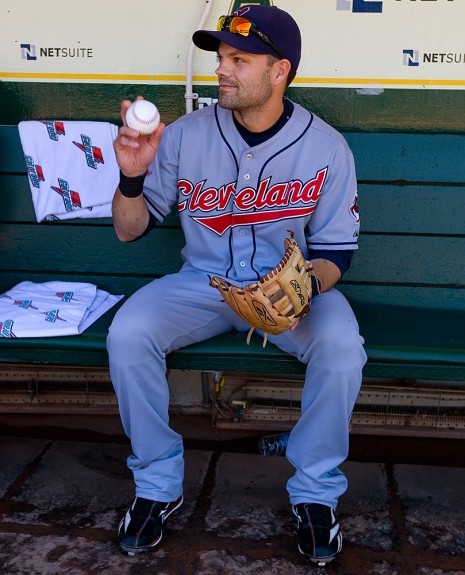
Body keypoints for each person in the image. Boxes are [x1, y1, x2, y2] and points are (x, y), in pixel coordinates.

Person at [108, 4, 367, 566]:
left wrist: (305, 291)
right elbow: (129, 231)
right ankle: (157, 485)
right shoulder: (182, 136)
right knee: (129, 334)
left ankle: (316, 495)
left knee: (343, 350)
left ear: (280, 71)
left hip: (292, 292)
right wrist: (131, 175)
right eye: (221, 57)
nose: (222, 70)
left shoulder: (325, 147)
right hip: (202, 285)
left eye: (239, 59)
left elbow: (336, 252)